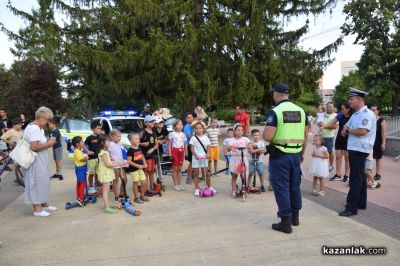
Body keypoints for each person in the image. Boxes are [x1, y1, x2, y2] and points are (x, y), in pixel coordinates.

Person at [263, 83, 308, 234]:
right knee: (294, 186)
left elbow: (268, 136)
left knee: (281, 187)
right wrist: (301, 153)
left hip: (280, 156)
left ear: (276, 94)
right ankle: (295, 216)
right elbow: (305, 135)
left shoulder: (276, 111)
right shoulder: (301, 111)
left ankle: (285, 222)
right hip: (296, 155)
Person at [339, 87, 376, 217]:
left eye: (352, 99)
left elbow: (362, 131)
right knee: (360, 176)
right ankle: (361, 202)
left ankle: (351, 207)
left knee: (354, 178)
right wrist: (345, 129)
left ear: (359, 99)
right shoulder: (356, 114)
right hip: (355, 148)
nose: (349, 101)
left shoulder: (366, 114)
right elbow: (347, 126)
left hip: (360, 149)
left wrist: (348, 131)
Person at [23, 106, 57, 217]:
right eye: (47, 119)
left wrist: (46, 141)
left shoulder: (37, 128)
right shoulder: (34, 128)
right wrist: (49, 143)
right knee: (36, 183)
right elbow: (34, 147)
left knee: (42, 181)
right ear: (40, 117)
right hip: (36, 162)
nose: (48, 122)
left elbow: (38, 142)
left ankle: (43, 204)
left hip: (40, 161)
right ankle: (37, 209)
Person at [97, 134, 127, 214]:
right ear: (102, 143)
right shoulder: (103, 153)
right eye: (107, 141)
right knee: (105, 191)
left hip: (107, 172)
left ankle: (107, 205)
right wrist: (118, 163)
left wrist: (118, 162)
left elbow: (110, 162)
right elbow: (108, 164)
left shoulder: (105, 151)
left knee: (105, 190)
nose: (109, 142)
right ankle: (107, 207)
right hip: (105, 173)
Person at [323, 104, 352, 182]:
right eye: (341, 109)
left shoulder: (353, 116)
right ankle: (338, 175)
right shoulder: (340, 115)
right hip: (339, 138)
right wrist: (324, 126)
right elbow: (332, 122)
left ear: (348, 109)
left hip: (348, 139)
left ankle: (346, 175)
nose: (342, 111)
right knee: (338, 156)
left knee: (347, 158)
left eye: (343, 109)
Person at [189, 121, 217, 196]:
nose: (198, 129)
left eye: (200, 128)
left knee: (207, 173)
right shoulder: (193, 138)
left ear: (203, 129)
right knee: (196, 173)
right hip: (196, 158)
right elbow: (192, 148)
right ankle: (197, 189)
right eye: (196, 128)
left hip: (204, 157)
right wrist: (195, 155)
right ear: (195, 129)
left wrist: (208, 153)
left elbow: (208, 147)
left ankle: (210, 187)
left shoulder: (206, 137)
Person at [227, 124, 251, 198]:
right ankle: (233, 191)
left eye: (241, 130)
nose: (240, 131)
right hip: (234, 158)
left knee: (243, 176)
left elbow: (250, 145)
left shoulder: (245, 139)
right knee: (234, 176)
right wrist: (231, 147)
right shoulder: (231, 140)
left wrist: (247, 147)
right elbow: (228, 149)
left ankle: (244, 190)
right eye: (238, 130)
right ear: (234, 132)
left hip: (243, 159)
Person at [126, 133, 150, 204]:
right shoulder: (130, 150)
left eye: (138, 138)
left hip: (141, 168)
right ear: (130, 141)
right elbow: (129, 162)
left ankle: (142, 195)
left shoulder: (139, 148)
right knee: (135, 183)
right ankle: (136, 198)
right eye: (135, 139)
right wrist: (137, 166)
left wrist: (145, 163)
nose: (138, 140)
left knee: (144, 183)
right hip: (134, 170)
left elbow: (142, 157)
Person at [140, 115, 158, 196]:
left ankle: (152, 187)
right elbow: (135, 142)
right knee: (146, 172)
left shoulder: (154, 132)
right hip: (145, 156)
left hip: (153, 155)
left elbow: (157, 144)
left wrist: (153, 149)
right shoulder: (143, 132)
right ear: (146, 123)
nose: (152, 123)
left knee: (152, 171)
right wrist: (142, 143)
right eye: (150, 121)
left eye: (153, 121)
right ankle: (145, 189)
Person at [108, 129, 128, 203]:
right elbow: (105, 152)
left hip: (121, 164)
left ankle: (121, 194)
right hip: (114, 164)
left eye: (120, 137)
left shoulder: (119, 144)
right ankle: (116, 197)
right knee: (116, 180)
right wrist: (109, 158)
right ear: (112, 137)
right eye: (118, 137)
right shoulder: (109, 144)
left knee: (125, 179)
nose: (119, 138)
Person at [168, 120, 187, 191]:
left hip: (181, 151)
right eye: (178, 124)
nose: (180, 125)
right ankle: (175, 184)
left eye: (181, 124)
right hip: (174, 151)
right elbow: (169, 145)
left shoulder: (183, 134)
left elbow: (185, 144)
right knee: (175, 169)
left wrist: (186, 153)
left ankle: (179, 184)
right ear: (175, 126)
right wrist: (170, 155)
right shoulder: (172, 134)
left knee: (180, 169)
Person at [84, 121, 102, 194]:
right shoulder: (89, 138)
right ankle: (91, 187)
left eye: (100, 129)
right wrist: (87, 151)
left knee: (98, 174)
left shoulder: (101, 137)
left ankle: (97, 186)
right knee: (92, 174)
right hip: (92, 159)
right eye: (98, 129)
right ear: (93, 129)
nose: (99, 130)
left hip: (100, 159)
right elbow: (83, 145)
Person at [318, 102, 336, 172]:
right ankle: (323, 165)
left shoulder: (335, 115)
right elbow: (319, 124)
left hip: (329, 137)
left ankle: (331, 165)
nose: (328, 108)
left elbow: (335, 126)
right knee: (322, 151)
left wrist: (324, 125)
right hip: (322, 136)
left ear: (333, 108)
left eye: (330, 107)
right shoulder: (324, 115)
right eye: (327, 107)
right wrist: (320, 124)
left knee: (330, 151)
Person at [371, 106, 387, 181]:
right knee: (369, 158)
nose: (372, 111)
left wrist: (383, 143)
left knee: (378, 158)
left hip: (378, 142)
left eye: (374, 110)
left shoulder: (382, 121)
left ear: (378, 111)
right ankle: (368, 173)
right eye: (371, 110)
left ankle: (378, 174)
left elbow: (383, 133)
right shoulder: (370, 120)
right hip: (370, 142)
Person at [72, 136, 88, 207]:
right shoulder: (77, 151)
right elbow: (82, 160)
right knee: (82, 183)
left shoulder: (78, 151)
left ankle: (79, 197)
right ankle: (80, 199)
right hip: (80, 169)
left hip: (80, 168)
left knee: (79, 183)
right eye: (81, 141)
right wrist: (87, 157)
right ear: (77, 144)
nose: (83, 143)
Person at [183, 113, 194, 184]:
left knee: (195, 162)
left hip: (195, 145)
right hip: (190, 146)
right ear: (186, 119)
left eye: (191, 117)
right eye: (188, 117)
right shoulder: (186, 127)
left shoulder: (194, 126)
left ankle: (193, 176)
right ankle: (189, 177)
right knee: (192, 162)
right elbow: (190, 136)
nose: (190, 118)